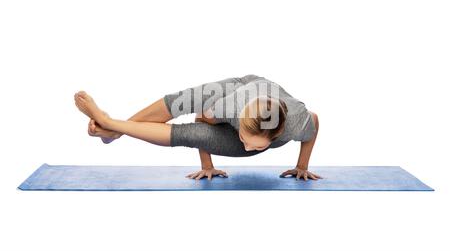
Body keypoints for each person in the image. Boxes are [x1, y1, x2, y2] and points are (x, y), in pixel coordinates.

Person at [74, 74, 321, 181]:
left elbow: (315, 121)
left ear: (278, 133)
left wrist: (302, 167)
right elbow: (200, 118)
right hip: (237, 89)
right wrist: (207, 166)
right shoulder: (226, 108)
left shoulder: (296, 122)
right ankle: (114, 128)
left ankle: (114, 126)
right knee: (187, 99)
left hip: (261, 100)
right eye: (245, 138)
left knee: (193, 136)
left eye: (253, 144)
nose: (246, 147)